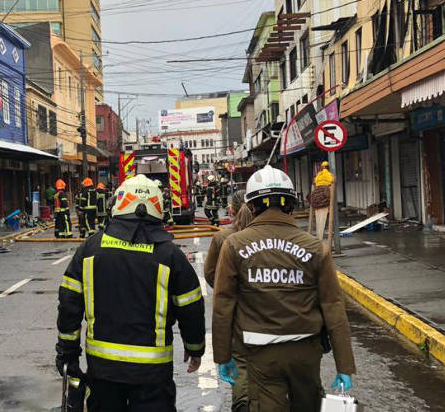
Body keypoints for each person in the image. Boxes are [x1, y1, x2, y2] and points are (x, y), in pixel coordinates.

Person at [56, 174, 206, 411]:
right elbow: (191, 307)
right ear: (158, 207)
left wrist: (67, 355)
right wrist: (195, 348)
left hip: (103, 373)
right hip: (153, 378)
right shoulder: (170, 255)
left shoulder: (90, 249)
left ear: (119, 203)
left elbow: (69, 306)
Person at [212, 165, 356, 411]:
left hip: (260, 354)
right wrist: (345, 366)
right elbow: (332, 306)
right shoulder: (314, 247)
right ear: (290, 204)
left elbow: (223, 304)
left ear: (252, 206)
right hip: (306, 353)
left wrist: (222, 356)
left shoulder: (235, 245)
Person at [204, 189, 253, 412]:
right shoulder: (267, 236)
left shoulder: (223, 238)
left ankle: (242, 404)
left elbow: (210, 274)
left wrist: (228, 288)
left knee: (240, 363)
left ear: (231, 209)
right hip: (267, 312)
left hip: (237, 316)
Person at [311, 160, 335, 240]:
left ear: (322, 167)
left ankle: (319, 238)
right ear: (328, 167)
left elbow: (314, 182)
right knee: (325, 219)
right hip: (325, 198)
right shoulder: (330, 175)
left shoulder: (318, 175)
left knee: (319, 223)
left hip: (316, 199)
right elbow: (332, 181)